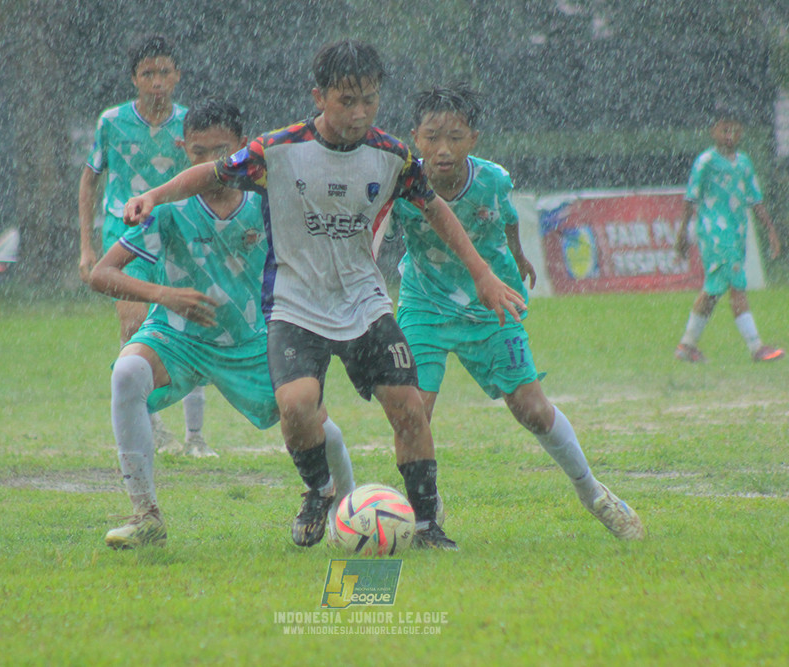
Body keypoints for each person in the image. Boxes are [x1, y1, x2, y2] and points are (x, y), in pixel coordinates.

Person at [123, 40, 525, 550]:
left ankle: (426, 525)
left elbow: (435, 210)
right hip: (296, 304)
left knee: (408, 409)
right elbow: (212, 172)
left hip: (363, 301)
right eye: (347, 101)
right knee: (295, 405)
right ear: (319, 96)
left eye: (370, 101)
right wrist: (153, 195)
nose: (360, 113)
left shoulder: (393, 155)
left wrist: (483, 274)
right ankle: (319, 491)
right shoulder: (279, 149)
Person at [89, 98, 356, 549]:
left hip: (251, 341)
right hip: (177, 337)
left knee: (309, 417)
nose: (210, 162)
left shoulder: (269, 206)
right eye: (197, 151)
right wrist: (164, 294)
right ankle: (146, 515)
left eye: (220, 150)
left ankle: (348, 507)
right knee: (127, 371)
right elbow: (101, 273)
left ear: (241, 149)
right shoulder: (167, 209)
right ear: (183, 150)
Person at [388, 83, 644, 540]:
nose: (442, 149)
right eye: (431, 136)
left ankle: (595, 495)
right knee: (412, 413)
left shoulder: (493, 179)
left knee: (532, 410)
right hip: (424, 303)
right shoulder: (400, 182)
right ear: (414, 137)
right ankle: (424, 506)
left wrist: (519, 255)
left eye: (455, 136)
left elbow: (505, 217)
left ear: (475, 139)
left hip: (491, 302)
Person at [78, 34, 212, 456]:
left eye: (164, 72)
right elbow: (89, 179)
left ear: (178, 76)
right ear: (134, 78)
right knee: (134, 324)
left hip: (176, 231)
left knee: (192, 320)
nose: (157, 82)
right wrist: (87, 246)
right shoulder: (112, 121)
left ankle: (195, 436)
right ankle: (149, 424)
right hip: (125, 234)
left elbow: (210, 173)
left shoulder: (191, 124)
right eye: (147, 73)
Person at [674, 105, 784, 363]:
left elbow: (755, 199)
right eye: (725, 129)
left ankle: (686, 345)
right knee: (736, 286)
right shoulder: (706, 162)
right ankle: (757, 347)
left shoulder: (744, 163)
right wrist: (681, 234)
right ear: (713, 131)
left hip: (736, 233)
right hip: (714, 234)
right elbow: (690, 198)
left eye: (734, 130)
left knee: (712, 292)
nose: (729, 135)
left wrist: (770, 230)